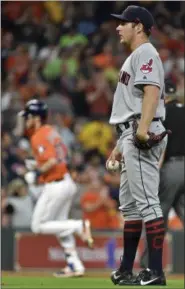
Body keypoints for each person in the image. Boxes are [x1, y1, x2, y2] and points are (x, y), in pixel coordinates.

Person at [107, 5, 170, 286]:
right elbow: (130, 104)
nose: (118, 27)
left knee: (148, 204)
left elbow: (151, 91)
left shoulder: (146, 52)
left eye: (124, 23)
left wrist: (141, 130)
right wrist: (120, 144)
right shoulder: (135, 56)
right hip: (129, 133)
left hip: (140, 132)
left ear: (139, 26)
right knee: (131, 209)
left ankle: (155, 271)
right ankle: (125, 270)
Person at [17, 99, 94, 278]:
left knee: (38, 226)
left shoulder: (38, 135)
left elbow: (51, 160)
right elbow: (58, 158)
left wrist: (36, 173)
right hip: (65, 181)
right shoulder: (51, 131)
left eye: (28, 116)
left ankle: (79, 226)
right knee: (60, 226)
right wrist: (36, 165)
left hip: (56, 184)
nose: (26, 120)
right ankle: (74, 264)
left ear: (36, 118)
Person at [140, 78, 185, 268]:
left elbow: (158, 146)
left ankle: (150, 264)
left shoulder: (162, 114)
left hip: (171, 168)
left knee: (157, 216)